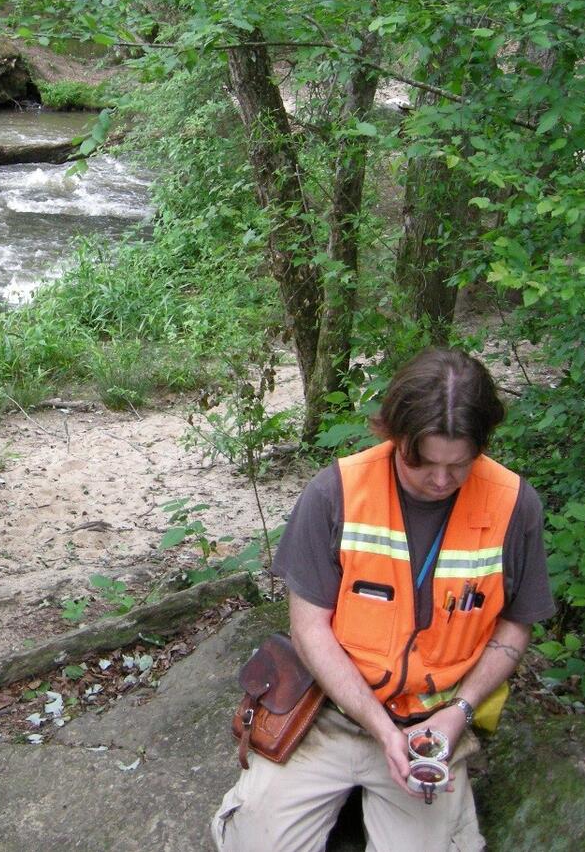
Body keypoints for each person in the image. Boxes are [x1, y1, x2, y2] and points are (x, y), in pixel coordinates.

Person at [211, 348, 555, 852]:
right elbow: (309, 628)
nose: (441, 480)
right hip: (329, 714)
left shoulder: (512, 504)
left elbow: (516, 624)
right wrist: (378, 725)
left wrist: (457, 714)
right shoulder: (336, 493)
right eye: (424, 463)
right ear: (393, 435)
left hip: (431, 726)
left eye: (459, 465)